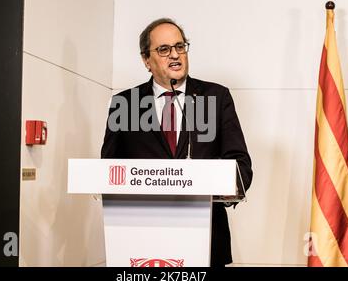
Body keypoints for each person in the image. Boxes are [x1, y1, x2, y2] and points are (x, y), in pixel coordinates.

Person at [101, 18, 253, 267]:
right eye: (164, 49)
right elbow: (108, 169)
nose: (175, 55)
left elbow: (241, 166)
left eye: (180, 46)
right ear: (146, 60)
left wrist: (207, 185)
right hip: (141, 240)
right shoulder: (125, 104)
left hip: (206, 237)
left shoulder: (215, 96)